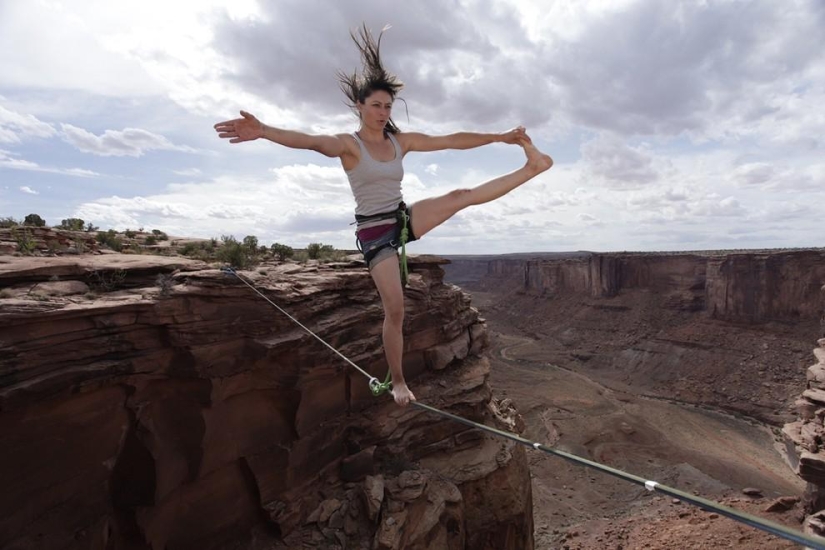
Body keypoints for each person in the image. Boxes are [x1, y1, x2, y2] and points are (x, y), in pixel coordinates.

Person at [214, 25, 553, 407]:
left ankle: (532, 167)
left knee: (461, 196)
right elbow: (310, 141)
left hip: (401, 218)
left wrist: (500, 136)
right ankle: (398, 382)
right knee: (395, 309)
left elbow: (451, 140)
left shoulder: (399, 141)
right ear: (360, 106)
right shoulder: (349, 145)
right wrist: (264, 130)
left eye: (388, 106)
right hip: (375, 235)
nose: (383, 112)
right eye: (376, 105)